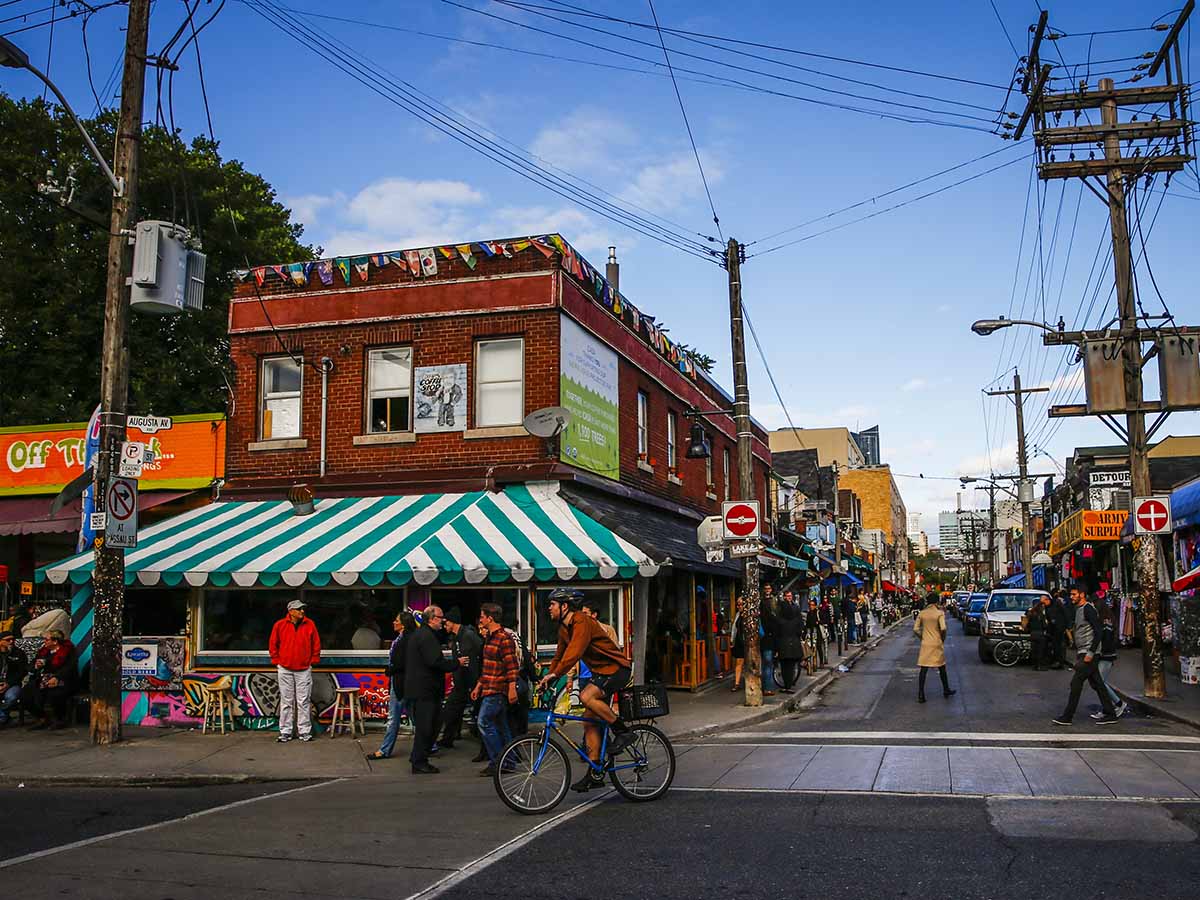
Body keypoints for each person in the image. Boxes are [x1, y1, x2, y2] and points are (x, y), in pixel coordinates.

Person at [536, 588, 635, 793]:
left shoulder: (582, 621)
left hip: (617, 670)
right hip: (601, 673)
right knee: (589, 723)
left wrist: (556, 674)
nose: (549, 608)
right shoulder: (564, 628)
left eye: (552, 604)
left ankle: (623, 732)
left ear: (564, 606)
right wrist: (549, 676)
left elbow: (574, 653)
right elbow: (560, 655)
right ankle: (595, 773)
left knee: (586, 696)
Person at [404, 605, 463, 774]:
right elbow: (435, 662)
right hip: (425, 690)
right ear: (431, 619)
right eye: (440, 617)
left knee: (431, 724)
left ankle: (419, 756)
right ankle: (419, 760)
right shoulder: (426, 637)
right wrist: (456, 663)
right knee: (427, 726)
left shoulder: (424, 635)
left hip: (423, 689)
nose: (443, 620)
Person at [1053, 586, 1120, 726]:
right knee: (1098, 683)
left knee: (1076, 683)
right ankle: (1110, 712)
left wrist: (1091, 652)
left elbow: (1098, 631)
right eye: (1071, 594)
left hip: (1088, 653)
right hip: (1084, 651)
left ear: (1082, 594)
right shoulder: (1079, 610)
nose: (1071, 597)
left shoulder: (1088, 609)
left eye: (1074, 594)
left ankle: (1067, 716)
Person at [471, 602, 519, 776]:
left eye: (482, 616)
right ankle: (509, 760)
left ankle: (498, 761)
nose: (480, 620)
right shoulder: (489, 637)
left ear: (490, 618)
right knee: (500, 725)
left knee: (483, 722)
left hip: (498, 688)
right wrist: (479, 685)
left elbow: (511, 665)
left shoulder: (504, 638)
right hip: (489, 686)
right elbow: (488, 666)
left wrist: (512, 688)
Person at [268, 598, 321, 743]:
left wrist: (313, 660)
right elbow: (273, 644)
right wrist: (277, 661)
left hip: (303, 668)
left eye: (303, 609)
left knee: (303, 701)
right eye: (299, 609)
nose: (302, 611)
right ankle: (286, 731)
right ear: (291, 611)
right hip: (285, 668)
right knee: (287, 701)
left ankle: (304, 731)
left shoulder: (310, 624)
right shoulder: (279, 625)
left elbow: (316, 643)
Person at [367, 611, 416, 761]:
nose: (393, 623)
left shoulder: (405, 640)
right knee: (416, 717)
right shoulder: (406, 639)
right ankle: (430, 745)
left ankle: (385, 750)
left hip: (400, 683)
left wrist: (390, 669)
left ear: (403, 624)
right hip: (405, 682)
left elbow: (402, 663)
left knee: (393, 718)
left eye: (396, 620)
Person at [439, 607, 483, 749]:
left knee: (479, 713)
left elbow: (483, 651)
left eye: (446, 623)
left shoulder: (469, 635)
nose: (444, 625)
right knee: (452, 709)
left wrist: (479, 675)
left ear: (453, 622)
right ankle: (449, 737)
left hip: (473, 680)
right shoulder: (455, 637)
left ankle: (485, 746)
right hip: (460, 681)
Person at [22, 629, 77, 729]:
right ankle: (42, 717)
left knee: (55, 694)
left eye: (47, 640)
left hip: (63, 679)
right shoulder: (44, 651)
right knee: (26, 693)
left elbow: (70, 668)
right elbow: (31, 666)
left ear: (55, 641)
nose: (45, 642)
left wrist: (57, 677)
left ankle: (59, 720)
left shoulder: (68, 651)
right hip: (43, 678)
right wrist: (36, 666)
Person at [913, 592, 956, 703]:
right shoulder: (939, 613)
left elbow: (915, 629)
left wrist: (922, 636)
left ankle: (921, 694)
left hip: (925, 643)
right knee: (941, 667)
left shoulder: (922, 613)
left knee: (924, 669)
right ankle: (946, 689)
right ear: (937, 601)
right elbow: (943, 628)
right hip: (936, 642)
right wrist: (942, 638)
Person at [1094, 598, 1127, 719]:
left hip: (1106, 655)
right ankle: (1108, 707)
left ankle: (1118, 703)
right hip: (1107, 654)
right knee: (1099, 682)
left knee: (1100, 682)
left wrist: (1100, 651)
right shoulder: (1108, 621)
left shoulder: (1105, 623)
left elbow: (1106, 640)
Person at [775, 594, 805, 692]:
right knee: (791, 666)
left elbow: (777, 632)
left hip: (783, 644)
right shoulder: (796, 618)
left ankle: (786, 684)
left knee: (784, 666)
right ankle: (789, 684)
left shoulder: (780, 620)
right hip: (794, 643)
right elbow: (800, 630)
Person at [0, 630, 29, 728]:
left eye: (13, 639)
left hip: (12, 684)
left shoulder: (19, 653)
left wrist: (8, 683)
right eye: (8, 640)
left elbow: (22, 672)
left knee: (11, 697)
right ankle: (3, 717)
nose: (11, 642)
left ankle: (2, 717)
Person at [759, 595, 778, 696]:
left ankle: (763, 686)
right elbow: (775, 631)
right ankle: (768, 688)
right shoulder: (772, 617)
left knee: (763, 666)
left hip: (761, 642)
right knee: (768, 666)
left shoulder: (759, 617)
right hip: (769, 642)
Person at [1046, 591, 1070, 669]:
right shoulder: (1050, 606)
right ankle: (1058, 661)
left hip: (1059, 628)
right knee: (1056, 645)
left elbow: (1065, 614)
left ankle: (1059, 662)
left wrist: (1066, 625)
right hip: (1054, 629)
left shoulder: (1057, 604)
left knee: (1058, 645)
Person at [1027, 598, 1050, 671]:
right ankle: (1040, 665)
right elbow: (1044, 626)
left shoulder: (1031, 614)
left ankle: (1034, 665)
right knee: (1040, 650)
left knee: (1034, 650)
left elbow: (1028, 625)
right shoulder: (1041, 616)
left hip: (1033, 634)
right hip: (1040, 634)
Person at [730, 601, 747, 691]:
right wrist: (732, 640)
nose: (739, 606)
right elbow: (734, 628)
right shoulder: (738, 615)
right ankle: (736, 683)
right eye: (738, 604)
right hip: (739, 641)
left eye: (741, 604)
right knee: (739, 662)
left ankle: (749, 682)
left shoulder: (749, 615)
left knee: (749, 663)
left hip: (747, 642)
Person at [805, 599, 827, 667]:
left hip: (817, 631)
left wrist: (818, 622)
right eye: (810, 605)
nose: (811, 606)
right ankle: (808, 663)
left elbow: (824, 620)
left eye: (812, 605)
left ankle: (821, 662)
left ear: (815, 606)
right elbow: (807, 623)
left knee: (818, 646)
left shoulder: (818, 612)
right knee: (809, 647)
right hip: (811, 632)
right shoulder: (809, 613)